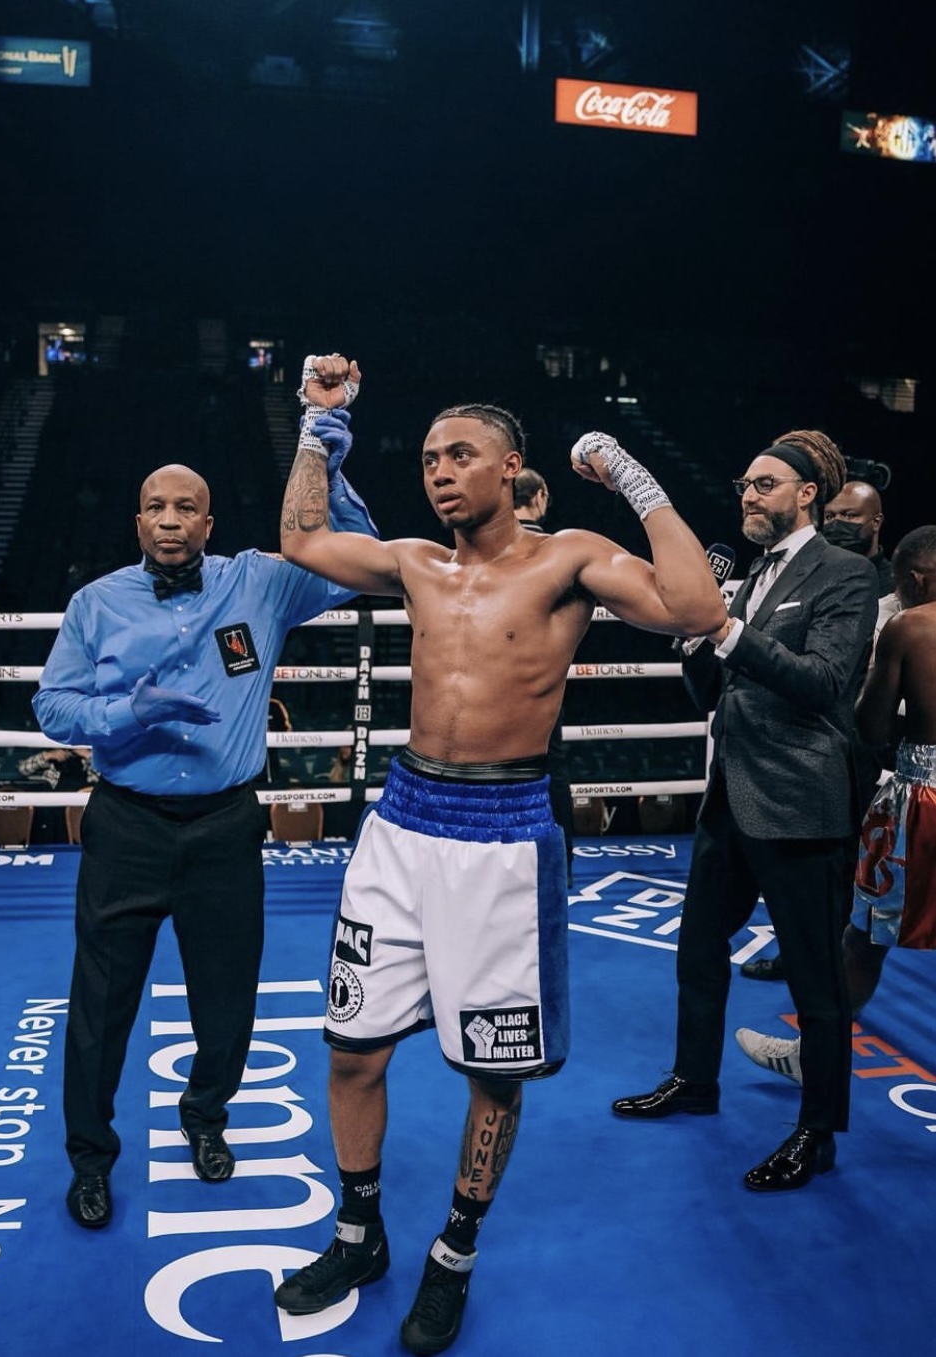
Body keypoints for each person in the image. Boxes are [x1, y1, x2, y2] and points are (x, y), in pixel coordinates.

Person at [273, 360, 726, 1356]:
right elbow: (301, 540)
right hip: (399, 824)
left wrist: (629, 477)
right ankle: (358, 1231)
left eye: (461, 454)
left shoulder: (568, 558)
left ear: (508, 466)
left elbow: (694, 609)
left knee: (494, 1070)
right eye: (430, 457)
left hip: (503, 835)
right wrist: (319, 421)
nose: (439, 472)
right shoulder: (413, 563)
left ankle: (454, 1253)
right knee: (351, 1049)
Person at [30, 358, 378, 1231]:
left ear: (208, 520)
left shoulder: (256, 579)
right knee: (101, 1002)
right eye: (157, 506)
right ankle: (90, 1158)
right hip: (126, 823)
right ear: (138, 518)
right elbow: (50, 705)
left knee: (227, 995)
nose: (172, 519)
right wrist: (124, 712)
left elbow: (358, 557)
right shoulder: (96, 602)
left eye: (187, 506)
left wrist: (325, 446)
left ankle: (207, 1117)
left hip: (225, 823)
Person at [611, 431, 879, 1194]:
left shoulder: (846, 574)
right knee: (697, 946)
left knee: (813, 981)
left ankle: (817, 1131)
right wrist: (696, 642)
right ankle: (694, 1078)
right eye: (743, 482)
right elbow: (719, 695)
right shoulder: (751, 575)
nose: (747, 495)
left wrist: (727, 629)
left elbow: (824, 682)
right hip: (730, 794)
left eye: (764, 484)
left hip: (800, 801)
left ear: (805, 494)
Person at [735, 525, 936, 1081]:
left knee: (866, 934)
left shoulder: (909, 626)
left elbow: (869, 726)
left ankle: (811, 1059)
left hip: (925, 796)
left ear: (915, 580)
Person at [742, 475, 896, 981]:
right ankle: (802, 955)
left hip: (878, 738)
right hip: (818, 733)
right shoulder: (817, 574)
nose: (840, 524)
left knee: (853, 865)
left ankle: (833, 968)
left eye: (852, 517)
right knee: (805, 864)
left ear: (876, 522)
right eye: (834, 516)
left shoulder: (902, 584)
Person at [514, 467, 575, 885]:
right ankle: (558, 870)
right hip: (545, 685)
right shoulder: (562, 554)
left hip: (483, 688)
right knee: (551, 770)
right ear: (541, 496)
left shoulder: (475, 550)